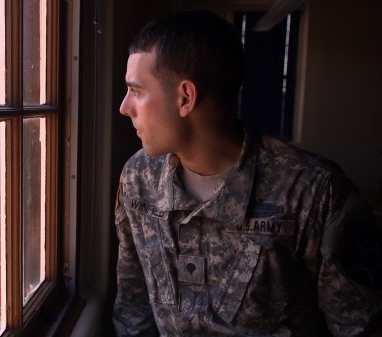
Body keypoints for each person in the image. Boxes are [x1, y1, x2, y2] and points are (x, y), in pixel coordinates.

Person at [113, 10, 382, 336]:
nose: (124, 107)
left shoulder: (314, 192)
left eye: (136, 91)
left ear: (185, 97)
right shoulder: (138, 178)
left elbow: (358, 327)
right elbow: (133, 309)